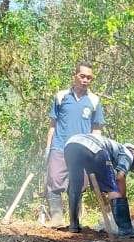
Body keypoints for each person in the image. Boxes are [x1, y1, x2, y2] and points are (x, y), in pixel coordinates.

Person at [45, 64, 105, 225]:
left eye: (89, 78)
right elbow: (52, 124)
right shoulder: (61, 96)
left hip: (81, 151)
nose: (85, 80)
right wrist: (48, 148)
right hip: (59, 146)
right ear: (75, 75)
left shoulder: (94, 101)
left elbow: (97, 129)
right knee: (54, 181)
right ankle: (57, 218)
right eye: (82, 76)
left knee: (78, 185)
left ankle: (74, 221)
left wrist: (95, 153)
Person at [62, 132, 134, 237]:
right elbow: (119, 178)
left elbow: (98, 185)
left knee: (75, 185)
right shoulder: (128, 154)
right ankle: (126, 229)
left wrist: (109, 207)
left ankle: (73, 225)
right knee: (112, 188)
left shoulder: (113, 148)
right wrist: (121, 203)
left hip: (71, 144)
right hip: (94, 148)